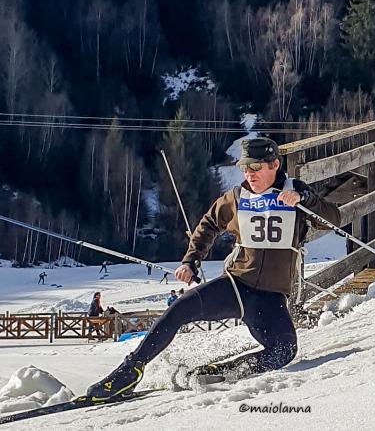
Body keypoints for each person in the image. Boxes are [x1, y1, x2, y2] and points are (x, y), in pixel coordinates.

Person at [86, 137, 341, 401]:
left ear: (274, 164)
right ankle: (129, 372)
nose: (249, 174)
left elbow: (334, 219)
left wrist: (305, 199)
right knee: (178, 309)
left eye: (255, 168)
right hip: (236, 284)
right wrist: (190, 260)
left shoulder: (293, 191)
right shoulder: (237, 197)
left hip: (271, 296)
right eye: (245, 168)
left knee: (284, 349)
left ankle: (220, 371)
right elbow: (208, 224)